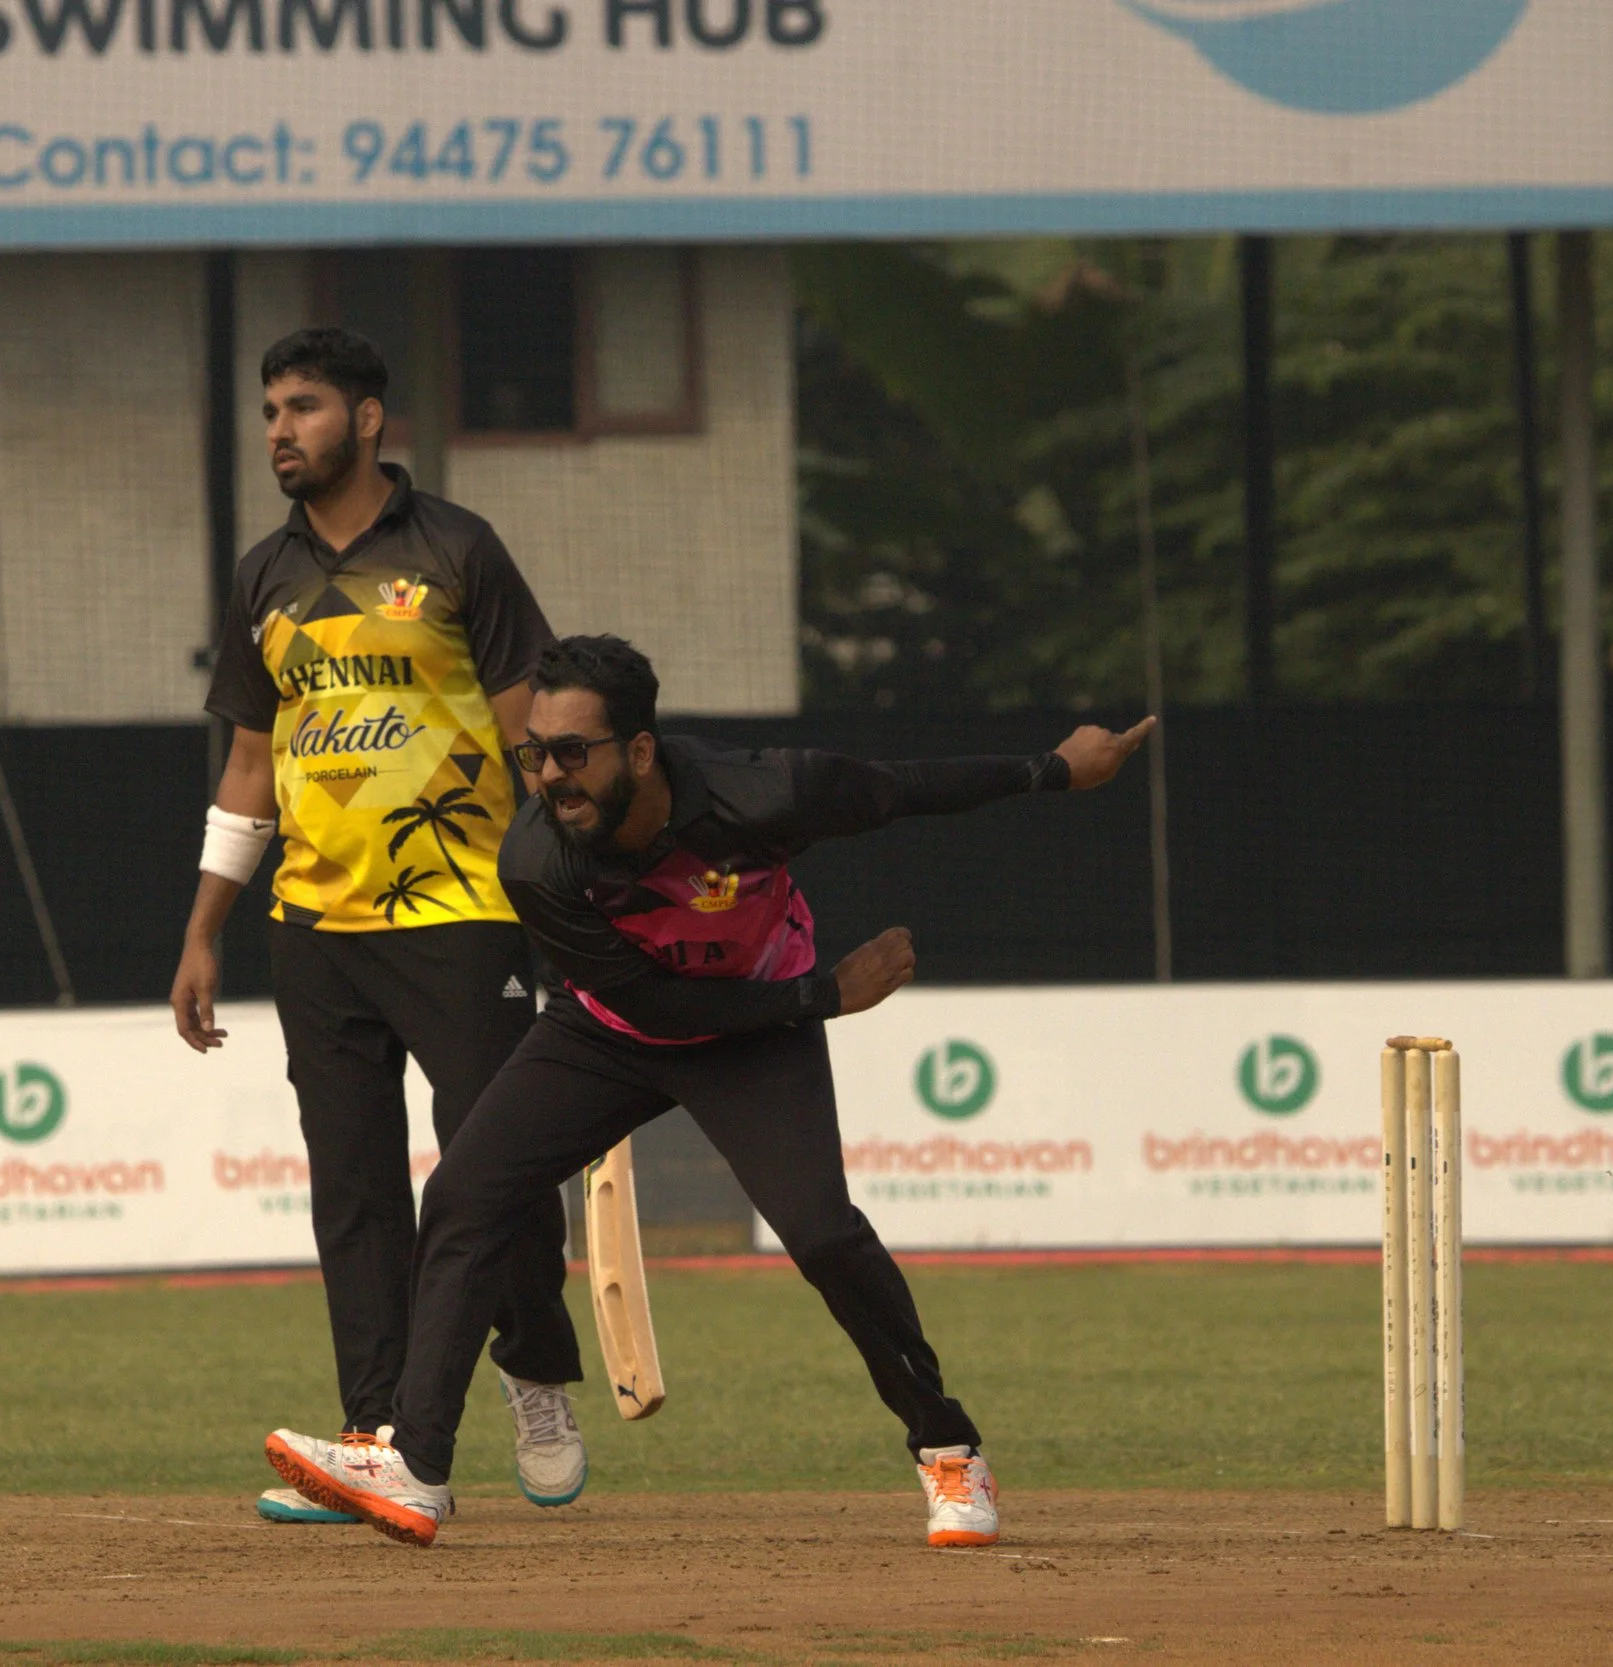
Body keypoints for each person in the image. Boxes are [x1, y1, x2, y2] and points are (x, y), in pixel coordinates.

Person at [265, 635, 1155, 1548]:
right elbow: (651, 1002)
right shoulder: (537, 860)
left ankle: (947, 1445)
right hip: (610, 1031)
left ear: (640, 751)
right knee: (464, 1193)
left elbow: (900, 789)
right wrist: (824, 995)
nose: (548, 776)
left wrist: (1052, 769)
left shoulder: (764, 792)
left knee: (822, 1235)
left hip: (754, 1034)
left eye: (573, 752)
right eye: (534, 752)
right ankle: (417, 1467)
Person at [174, 328, 587, 1525]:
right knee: (352, 1189)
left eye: (300, 406)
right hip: (313, 925)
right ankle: (375, 1435)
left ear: (367, 418)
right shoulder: (263, 574)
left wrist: (572, 901)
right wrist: (205, 929)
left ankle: (538, 1369)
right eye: (266, 410)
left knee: (492, 1172)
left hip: (462, 913)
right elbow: (252, 761)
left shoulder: (460, 550)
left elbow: (535, 742)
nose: (277, 431)